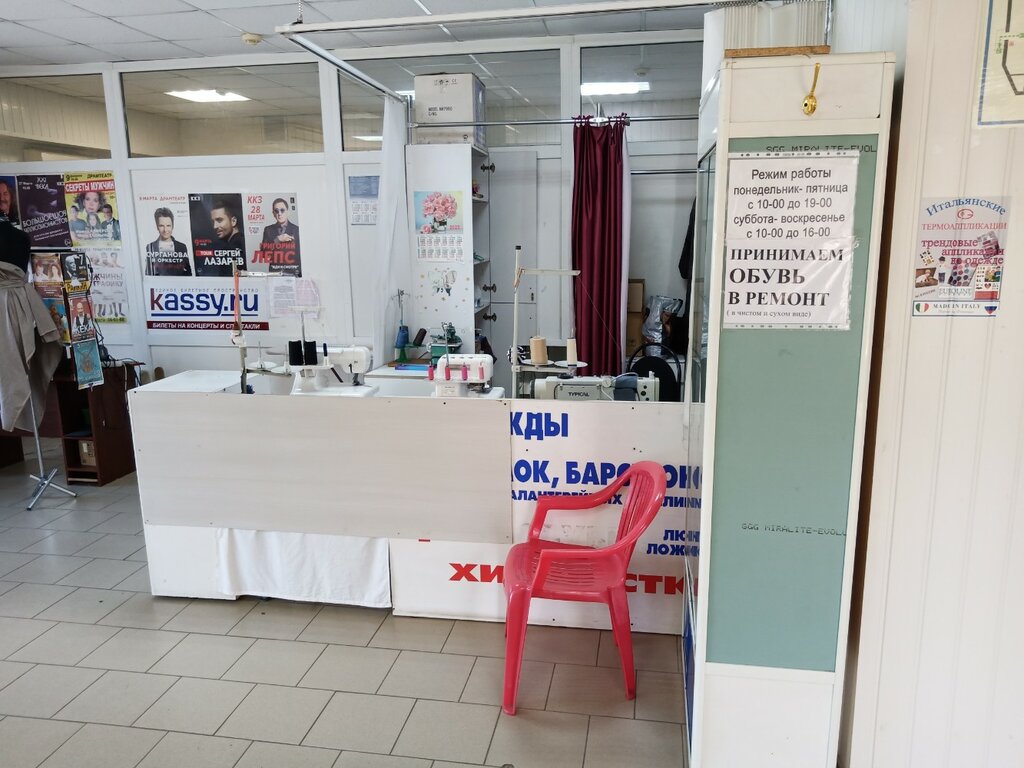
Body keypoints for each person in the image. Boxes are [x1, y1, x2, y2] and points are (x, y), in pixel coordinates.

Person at [145, 207, 192, 277]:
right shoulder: (150, 246)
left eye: (168, 226)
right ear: (157, 226)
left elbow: (188, 273)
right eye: (161, 226)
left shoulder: (182, 247)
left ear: (172, 226)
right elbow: (148, 273)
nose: (165, 230)